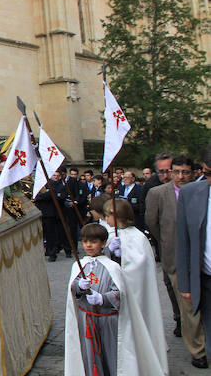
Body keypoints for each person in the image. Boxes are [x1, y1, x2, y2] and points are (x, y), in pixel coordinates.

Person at [146, 155, 206, 367]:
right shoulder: (158, 193)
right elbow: (152, 223)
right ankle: (198, 351)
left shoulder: (201, 191)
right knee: (188, 307)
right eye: (176, 172)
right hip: (175, 258)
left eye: (185, 172)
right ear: (170, 173)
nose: (181, 176)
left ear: (194, 173)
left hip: (202, 258)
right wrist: (168, 243)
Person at [104, 198, 168, 374]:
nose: (105, 219)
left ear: (117, 215)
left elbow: (139, 266)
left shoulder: (138, 237)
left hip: (136, 292)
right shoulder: (111, 235)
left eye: (108, 215)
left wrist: (123, 256)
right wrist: (110, 252)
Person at [63, 223, 122, 376]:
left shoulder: (112, 267)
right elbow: (72, 289)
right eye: (85, 241)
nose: (88, 245)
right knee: (90, 356)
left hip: (107, 320)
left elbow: (119, 293)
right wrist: (79, 286)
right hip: (87, 320)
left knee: (111, 355)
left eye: (93, 241)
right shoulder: (79, 265)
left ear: (103, 243)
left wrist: (102, 298)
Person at [176, 163, 211, 363]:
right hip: (206, 281)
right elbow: (184, 242)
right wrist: (185, 284)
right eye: (208, 174)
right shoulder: (190, 193)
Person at [34, 170, 66, 261]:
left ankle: (52, 253)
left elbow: (51, 194)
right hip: (41, 212)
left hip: (50, 214)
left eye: (57, 175)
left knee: (51, 235)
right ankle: (47, 250)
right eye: (54, 175)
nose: (55, 177)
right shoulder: (42, 184)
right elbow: (36, 195)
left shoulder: (57, 185)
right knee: (42, 234)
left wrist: (40, 197)